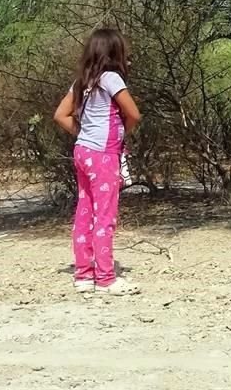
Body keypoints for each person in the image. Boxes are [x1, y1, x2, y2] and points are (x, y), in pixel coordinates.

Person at [53, 28, 141, 295]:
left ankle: (84, 275)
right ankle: (105, 278)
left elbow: (60, 115)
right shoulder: (111, 78)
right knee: (105, 215)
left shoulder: (82, 81)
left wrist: (84, 134)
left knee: (85, 212)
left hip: (83, 151)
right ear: (115, 52)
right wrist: (120, 134)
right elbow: (134, 114)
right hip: (103, 154)